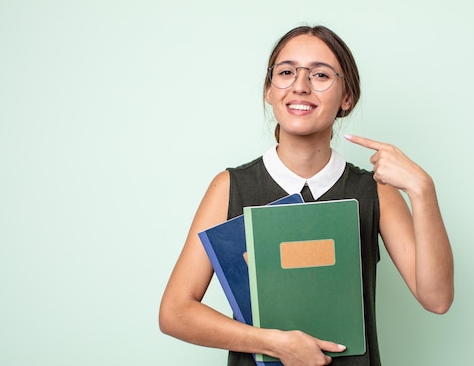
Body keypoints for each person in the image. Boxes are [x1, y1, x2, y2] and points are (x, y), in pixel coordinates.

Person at [159, 25, 454, 366]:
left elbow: (437, 299)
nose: (300, 85)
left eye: (320, 75)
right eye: (286, 72)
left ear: (347, 98)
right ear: (270, 91)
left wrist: (423, 191)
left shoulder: (374, 192)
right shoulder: (229, 187)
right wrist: (273, 343)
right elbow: (175, 312)